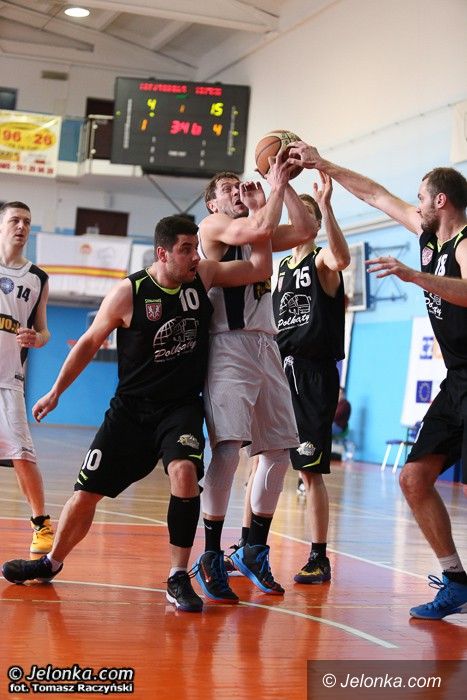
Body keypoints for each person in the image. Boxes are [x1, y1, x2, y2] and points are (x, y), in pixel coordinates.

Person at [2, 214, 273, 614]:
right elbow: (89, 343)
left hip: (180, 407)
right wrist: (56, 391)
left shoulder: (203, 276)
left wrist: (263, 210)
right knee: (86, 494)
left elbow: (260, 269)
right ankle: (51, 562)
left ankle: (177, 576)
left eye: (195, 248)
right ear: (163, 253)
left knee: (184, 472)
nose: (195, 257)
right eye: (186, 249)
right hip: (130, 411)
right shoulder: (129, 292)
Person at [289, 141, 467, 618]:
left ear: (441, 201)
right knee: (414, 478)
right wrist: (324, 165)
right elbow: (376, 195)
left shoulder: (464, 243)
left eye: (421, 197)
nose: (416, 204)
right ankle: (455, 580)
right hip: (457, 380)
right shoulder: (429, 236)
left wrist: (414, 276)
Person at [195, 156, 311, 602]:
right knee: (228, 449)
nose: (237, 191)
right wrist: (273, 187)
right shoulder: (212, 227)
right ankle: (210, 554)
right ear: (212, 203)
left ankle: (253, 549)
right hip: (228, 344)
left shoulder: (257, 226)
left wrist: (285, 187)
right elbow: (258, 230)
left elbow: (305, 230)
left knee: (279, 450)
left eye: (239, 185)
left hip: (267, 344)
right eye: (227, 188)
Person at [272, 177, 350, 584]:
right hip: (278, 369)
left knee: (309, 471)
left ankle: (319, 557)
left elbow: (343, 258)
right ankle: (251, 546)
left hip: (313, 373)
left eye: (302, 215)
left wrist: (328, 206)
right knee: (263, 461)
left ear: (313, 223)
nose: (294, 220)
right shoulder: (280, 268)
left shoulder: (320, 261)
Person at [0, 201, 54, 554]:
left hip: (9, 380)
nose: (21, 227)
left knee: (22, 455)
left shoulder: (37, 278)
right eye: (14, 220)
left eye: (27, 222)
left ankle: (41, 523)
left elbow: (45, 331)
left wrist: (37, 338)